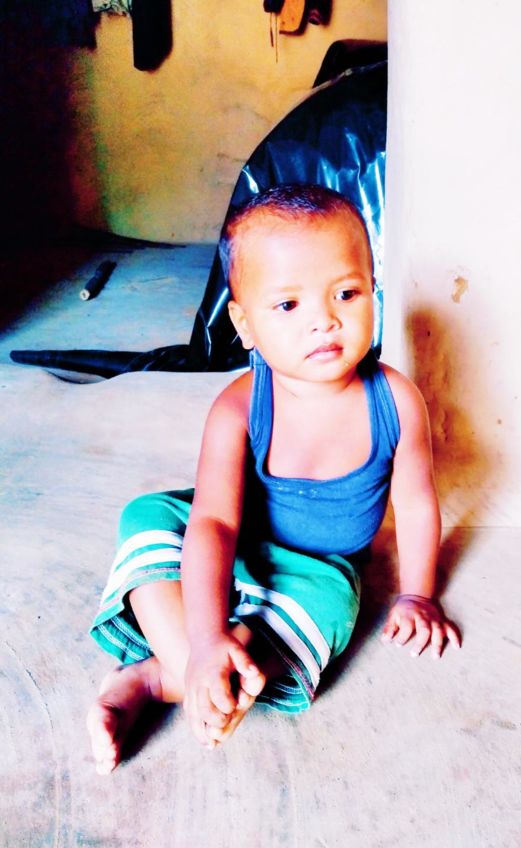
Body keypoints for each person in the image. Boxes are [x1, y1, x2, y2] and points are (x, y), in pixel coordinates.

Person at [86, 184, 461, 775]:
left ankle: (159, 678)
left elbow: (415, 504)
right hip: (233, 541)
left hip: (316, 568)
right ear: (245, 323)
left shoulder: (396, 400)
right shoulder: (238, 408)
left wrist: (418, 593)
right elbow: (213, 523)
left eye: (346, 293)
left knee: (333, 607)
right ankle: (200, 661)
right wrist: (208, 638)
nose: (324, 321)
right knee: (147, 516)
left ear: (374, 291)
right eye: (288, 305)